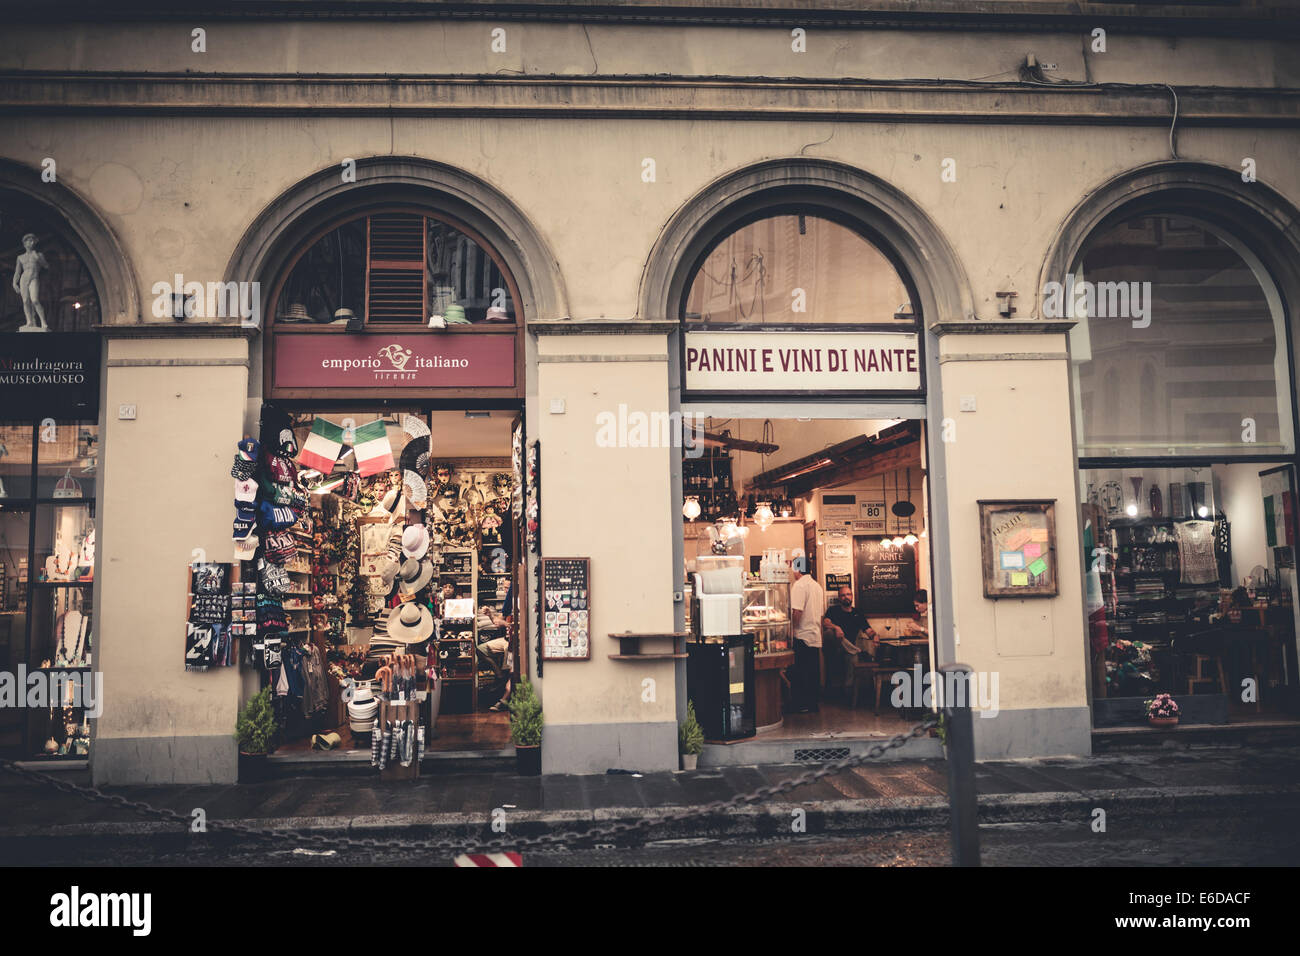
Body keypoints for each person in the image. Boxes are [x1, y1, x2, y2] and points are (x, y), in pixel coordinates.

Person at [822, 585, 876, 698]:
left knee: (852, 656)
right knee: (829, 633)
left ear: (852, 596)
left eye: (848, 594)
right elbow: (825, 623)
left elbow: (868, 630)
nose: (846, 597)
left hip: (848, 649)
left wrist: (875, 636)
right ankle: (853, 649)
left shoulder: (857, 613)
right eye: (843, 595)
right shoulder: (833, 610)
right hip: (835, 647)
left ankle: (849, 693)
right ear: (839, 598)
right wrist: (836, 627)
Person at [788, 561, 825, 713]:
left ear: (797, 569)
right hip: (815, 634)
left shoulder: (799, 585)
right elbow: (821, 615)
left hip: (802, 634)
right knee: (813, 672)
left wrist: (791, 631)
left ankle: (800, 705)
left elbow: (797, 611)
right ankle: (812, 704)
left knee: (800, 672)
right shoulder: (817, 586)